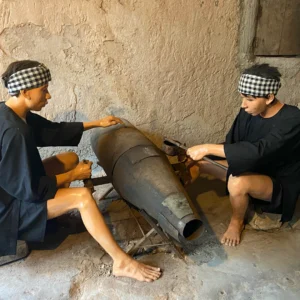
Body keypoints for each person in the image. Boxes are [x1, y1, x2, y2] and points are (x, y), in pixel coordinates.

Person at [0, 60, 161, 282]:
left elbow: (50, 131)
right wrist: (73, 176)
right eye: (44, 90)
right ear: (26, 91)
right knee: (83, 197)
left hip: (15, 186)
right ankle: (122, 262)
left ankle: (55, 220)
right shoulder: (14, 132)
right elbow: (28, 189)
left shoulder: (9, 112)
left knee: (69, 158)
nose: (48, 96)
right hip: (9, 210)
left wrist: (97, 123)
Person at [187, 64, 300, 247]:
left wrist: (208, 147)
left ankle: (236, 221)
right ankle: (177, 210)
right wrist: (197, 153)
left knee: (237, 182)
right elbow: (233, 144)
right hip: (253, 167)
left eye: (249, 99)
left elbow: (259, 150)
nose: (243, 105)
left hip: (278, 182)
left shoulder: (293, 118)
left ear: (269, 97)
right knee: (197, 163)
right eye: (242, 98)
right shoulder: (248, 112)